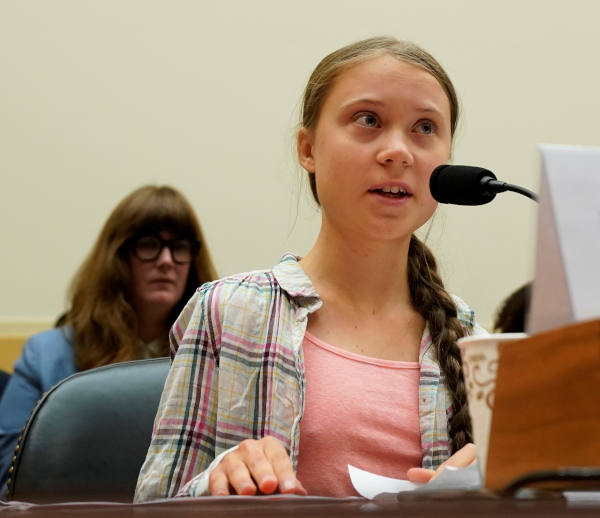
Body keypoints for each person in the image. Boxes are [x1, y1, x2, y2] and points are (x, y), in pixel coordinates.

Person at [134, 36, 486, 502]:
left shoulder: (473, 342)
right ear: (308, 149)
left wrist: (501, 492)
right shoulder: (229, 311)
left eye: (425, 128)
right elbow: (153, 504)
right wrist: (219, 480)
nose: (398, 152)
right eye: (368, 120)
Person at [0, 185, 217, 488]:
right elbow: (9, 472)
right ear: (117, 257)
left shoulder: (216, 356)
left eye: (180, 247)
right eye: (149, 244)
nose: (166, 260)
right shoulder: (47, 355)